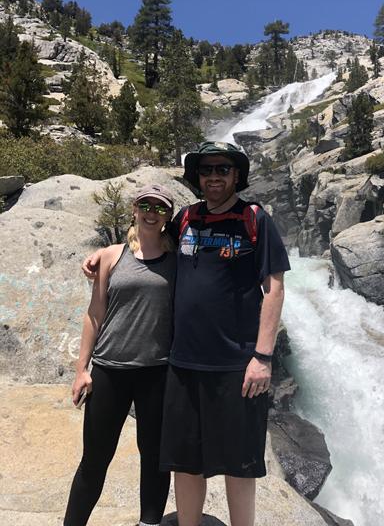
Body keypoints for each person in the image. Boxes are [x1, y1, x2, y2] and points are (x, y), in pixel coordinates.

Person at [82, 141, 291, 526]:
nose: (214, 177)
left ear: (236, 176)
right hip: (181, 364)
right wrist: (107, 252)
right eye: (206, 170)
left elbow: (274, 288)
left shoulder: (255, 220)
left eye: (222, 170)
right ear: (196, 176)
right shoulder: (186, 219)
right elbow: (149, 242)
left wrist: (262, 357)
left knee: (239, 463)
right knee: (185, 460)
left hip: (236, 364)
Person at [65, 184, 176, 526]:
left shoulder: (178, 260)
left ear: (167, 216)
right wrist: (82, 369)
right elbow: (94, 313)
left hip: (156, 372)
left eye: (159, 207)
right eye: (145, 204)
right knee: (95, 458)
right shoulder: (112, 256)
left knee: (155, 457)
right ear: (133, 209)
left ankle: (149, 523)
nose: (150, 212)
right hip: (110, 369)